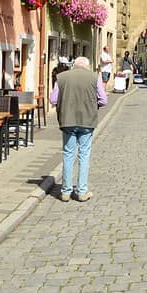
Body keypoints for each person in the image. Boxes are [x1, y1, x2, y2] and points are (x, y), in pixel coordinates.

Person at [49, 56, 106, 202]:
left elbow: (53, 99)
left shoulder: (61, 77)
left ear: (74, 65)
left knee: (68, 154)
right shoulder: (95, 77)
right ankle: (82, 191)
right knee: (84, 155)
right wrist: (93, 104)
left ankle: (66, 192)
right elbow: (103, 100)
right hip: (87, 121)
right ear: (87, 66)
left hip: (67, 120)